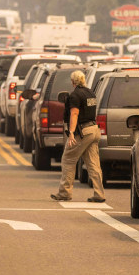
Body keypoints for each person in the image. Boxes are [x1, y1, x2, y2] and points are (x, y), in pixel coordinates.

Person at [51, 70, 106, 203]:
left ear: (73, 81)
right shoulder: (90, 93)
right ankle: (99, 194)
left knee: (68, 159)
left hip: (83, 131)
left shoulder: (75, 95)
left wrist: (71, 133)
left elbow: (74, 114)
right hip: (94, 130)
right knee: (93, 164)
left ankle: (64, 193)